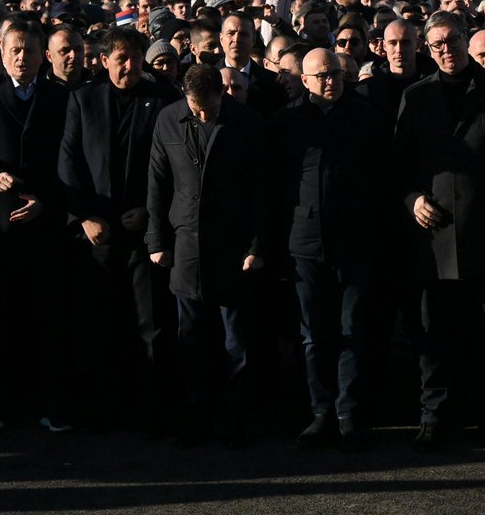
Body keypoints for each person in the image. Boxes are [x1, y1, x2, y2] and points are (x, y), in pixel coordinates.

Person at [394, 11, 485, 451]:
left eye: (452, 42)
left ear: (466, 41)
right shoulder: (415, 97)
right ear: (427, 50)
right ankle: (435, 415)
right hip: (433, 239)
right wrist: (412, 198)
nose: (446, 51)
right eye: (436, 46)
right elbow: (399, 167)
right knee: (435, 333)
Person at [59, 27, 181, 433]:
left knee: (151, 326)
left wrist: (149, 212)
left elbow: (170, 168)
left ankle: (152, 409)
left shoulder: (163, 101)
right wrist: (84, 218)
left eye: (135, 58)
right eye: (121, 58)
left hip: (143, 232)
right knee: (97, 324)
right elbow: (69, 165)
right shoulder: (83, 99)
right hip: (97, 233)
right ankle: (100, 409)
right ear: (105, 59)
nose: (128, 66)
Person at [0, 20, 71, 434]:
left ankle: (52, 407)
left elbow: (70, 162)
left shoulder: (60, 96)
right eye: (16, 50)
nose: (23, 58)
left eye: (31, 51)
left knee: (48, 321)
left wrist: (46, 201)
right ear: (1, 50)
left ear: (44, 55)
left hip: (43, 227)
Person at [146, 64, 270, 448]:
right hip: (185, 247)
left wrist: (258, 246)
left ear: (222, 94)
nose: (202, 114)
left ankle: (233, 420)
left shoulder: (247, 123)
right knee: (191, 341)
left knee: (237, 344)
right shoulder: (168, 120)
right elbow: (157, 182)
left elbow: (263, 189)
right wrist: (156, 241)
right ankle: (195, 419)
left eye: (208, 108)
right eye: (195, 107)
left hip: (233, 248)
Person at [274, 49, 390, 449]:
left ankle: (348, 412)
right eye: (321, 76)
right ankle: (320, 411)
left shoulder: (365, 117)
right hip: (304, 244)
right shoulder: (288, 122)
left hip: (355, 242)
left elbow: (381, 179)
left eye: (336, 74)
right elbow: (277, 186)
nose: (330, 82)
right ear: (304, 80)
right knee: (314, 335)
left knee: (352, 329)